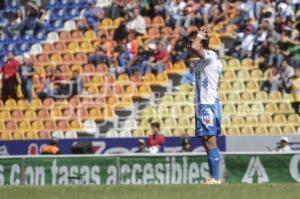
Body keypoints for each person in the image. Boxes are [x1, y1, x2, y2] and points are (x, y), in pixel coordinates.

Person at [186, 27, 223, 184]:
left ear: (201, 42)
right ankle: (214, 177)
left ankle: (216, 178)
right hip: (202, 105)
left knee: (210, 139)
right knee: (205, 142)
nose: (189, 44)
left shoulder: (211, 56)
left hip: (208, 104)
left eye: (192, 40)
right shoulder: (201, 60)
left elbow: (196, 47)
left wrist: (200, 35)